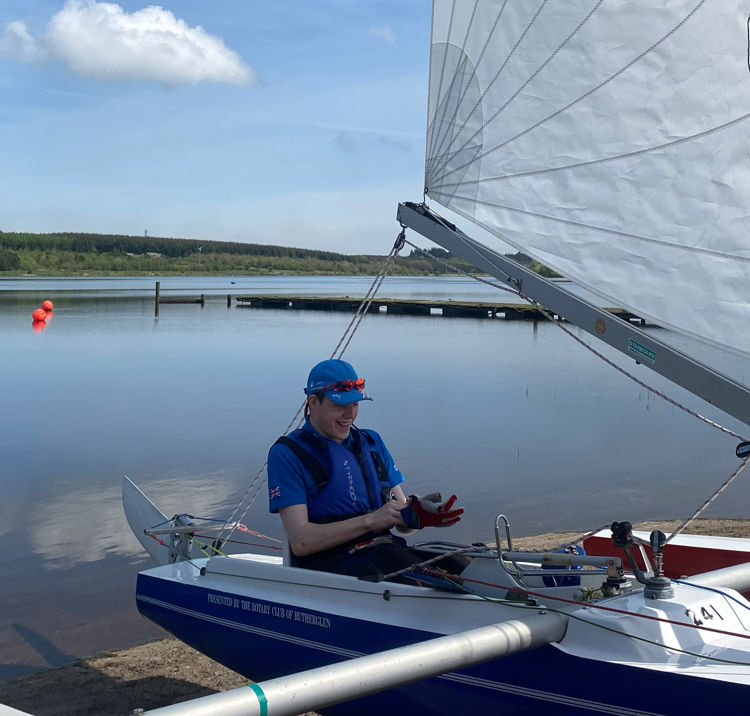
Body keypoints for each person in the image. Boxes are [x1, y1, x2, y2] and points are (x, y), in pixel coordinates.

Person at [267, 359, 465, 582]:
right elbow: (301, 542)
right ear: (313, 402)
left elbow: (402, 527)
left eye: (355, 404)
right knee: (412, 568)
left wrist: (415, 515)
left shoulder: (371, 442)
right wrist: (370, 521)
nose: (350, 414)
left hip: (385, 554)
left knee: (463, 561)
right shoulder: (287, 453)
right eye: (340, 405)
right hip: (331, 570)